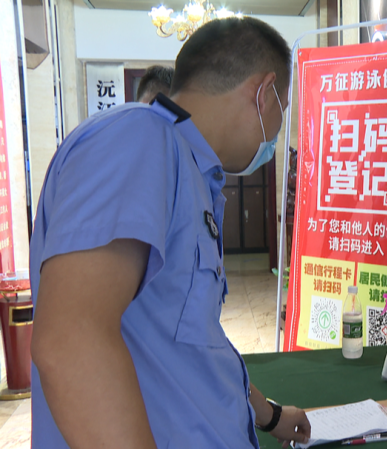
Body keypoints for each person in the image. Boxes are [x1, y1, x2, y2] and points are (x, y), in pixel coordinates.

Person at [30, 18, 310, 449]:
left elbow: (188, 342)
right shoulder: (137, 138)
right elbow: (70, 341)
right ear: (263, 91)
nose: (276, 131)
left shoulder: (190, 170)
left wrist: (268, 414)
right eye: (283, 107)